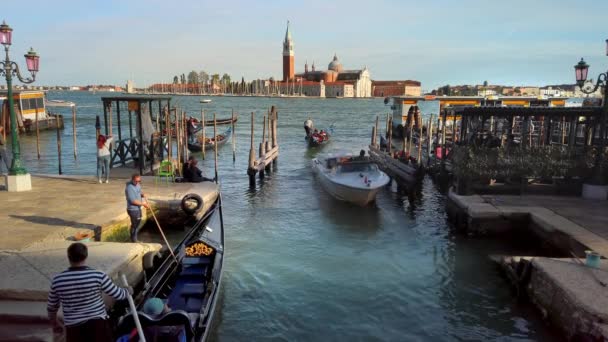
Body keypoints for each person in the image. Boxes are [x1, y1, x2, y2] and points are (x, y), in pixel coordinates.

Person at [47, 242, 130, 342]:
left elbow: (52, 308)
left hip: (74, 329)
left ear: (69, 257)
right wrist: (128, 290)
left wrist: (54, 323)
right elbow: (119, 295)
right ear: (85, 256)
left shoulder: (58, 280)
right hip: (98, 326)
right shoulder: (98, 275)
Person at [125, 173, 149, 243]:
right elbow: (133, 201)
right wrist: (143, 204)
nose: (138, 183)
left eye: (139, 181)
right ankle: (134, 240)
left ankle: (133, 238)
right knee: (135, 225)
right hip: (133, 210)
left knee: (137, 224)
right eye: (136, 181)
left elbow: (138, 192)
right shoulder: (129, 188)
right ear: (132, 180)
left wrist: (142, 195)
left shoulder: (138, 185)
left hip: (138, 209)